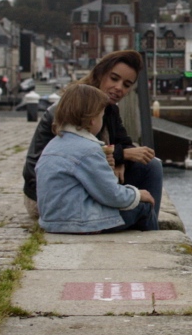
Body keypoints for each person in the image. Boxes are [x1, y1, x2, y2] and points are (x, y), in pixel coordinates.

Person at [22, 50, 163, 230]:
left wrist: (120, 160)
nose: (119, 88)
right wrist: (119, 155)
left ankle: (146, 222)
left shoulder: (110, 109)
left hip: (93, 183)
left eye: (127, 84)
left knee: (151, 165)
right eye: (114, 78)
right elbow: (35, 172)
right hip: (59, 196)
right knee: (140, 205)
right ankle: (144, 225)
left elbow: (124, 143)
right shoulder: (64, 111)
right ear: (99, 74)